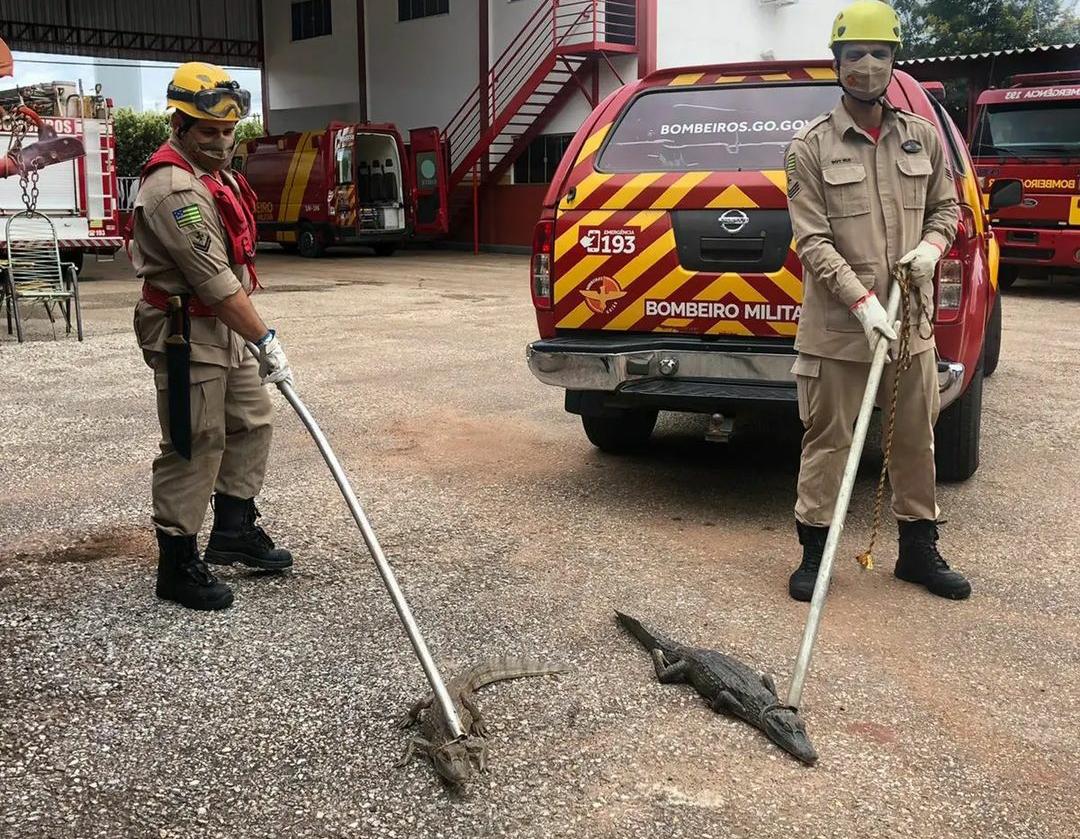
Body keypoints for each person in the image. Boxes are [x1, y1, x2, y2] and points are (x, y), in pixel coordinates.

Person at [784, 0, 971, 603]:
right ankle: (816, 554)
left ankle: (918, 551)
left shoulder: (921, 137)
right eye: (854, 54)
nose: (867, 65)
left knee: (916, 437)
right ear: (836, 63)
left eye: (880, 53)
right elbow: (810, 239)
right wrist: (862, 302)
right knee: (830, 439)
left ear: (896, 61)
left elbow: (949, 206)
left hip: (910, 325)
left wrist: (931, 247)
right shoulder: (809, 147)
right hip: (842, 328)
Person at [131, 62, 293, 611]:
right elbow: (217, 283)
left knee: (251, 420)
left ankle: (233, 530)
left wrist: (251, 338)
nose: (223, 143)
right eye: (209, 132)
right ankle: (176, 563)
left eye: (229, 132)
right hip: (186, 329)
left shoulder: (216, 175)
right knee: (194, 440)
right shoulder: (173, 189)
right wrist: (266, 339)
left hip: (223, 325)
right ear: (180, 126)